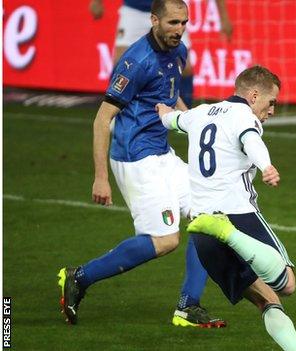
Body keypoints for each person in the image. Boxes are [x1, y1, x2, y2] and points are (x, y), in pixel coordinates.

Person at [58, 0, 225, 329]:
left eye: (184, 23)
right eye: (173, 22)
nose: (179, 29)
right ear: (154, 20)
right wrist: (100, 178)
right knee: (166, 241)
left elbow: (169, 96)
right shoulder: (135, 61)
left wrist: (191, 119)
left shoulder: (179, 52)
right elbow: (102, 118)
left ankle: (188, 306)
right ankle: (80, 276)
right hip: (135, 158)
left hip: (161, 153)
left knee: (211, 215)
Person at [156, 65, 296, 351]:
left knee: (267, 300)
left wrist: (162, 109)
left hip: (201, 227)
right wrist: (266, 166)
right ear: (253, 95)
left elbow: (171, 119)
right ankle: (228, 233)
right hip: (236, 215)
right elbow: (251, 141)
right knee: (286, 284)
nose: (272, 110)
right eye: (271, 102)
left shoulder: (200, 113)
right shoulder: (244, 116)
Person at [89, 0, 233, 107]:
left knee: (186, 67)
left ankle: (185, 117)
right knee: (121, 62)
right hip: (134, 10)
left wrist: (224, 18)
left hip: (168, 12)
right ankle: (114, 109)